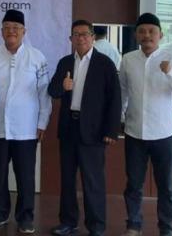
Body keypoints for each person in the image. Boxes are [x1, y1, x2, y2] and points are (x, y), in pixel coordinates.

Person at [0, 9, 51, 234]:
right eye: (7, 27)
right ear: (1, 31)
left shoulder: (37, 57)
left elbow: (44, 93)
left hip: (26, 129)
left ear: (24, 31)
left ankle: (25, 217)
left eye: (16, 28)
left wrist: (42, 123)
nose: (11, 31)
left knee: (25, 175)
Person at [119, 13, 172, 236]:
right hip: (134, 132)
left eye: (152, 31)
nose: (147, 35)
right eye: (142, 31)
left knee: (166, 187)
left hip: (163, 133)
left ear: (161, 35)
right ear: (136, 35)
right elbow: (123, 92)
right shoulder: (128, 59)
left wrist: (170, 73)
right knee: (133, 185)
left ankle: (166, 228)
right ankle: (134, 225)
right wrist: (120, 117)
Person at [48, 20, 121, 236]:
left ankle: (96, 226)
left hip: (94, 131)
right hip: (69, 128)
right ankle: (68, 222)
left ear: (92, 37)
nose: (80, 38)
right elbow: (52, 91)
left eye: (85, 34)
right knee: (67, 180)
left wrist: (111, 130)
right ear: (70, 39)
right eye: (76, 34)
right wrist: (62, 87)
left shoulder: (104, 63)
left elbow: (115, 99)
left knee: (93, 181)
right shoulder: (64, 62)